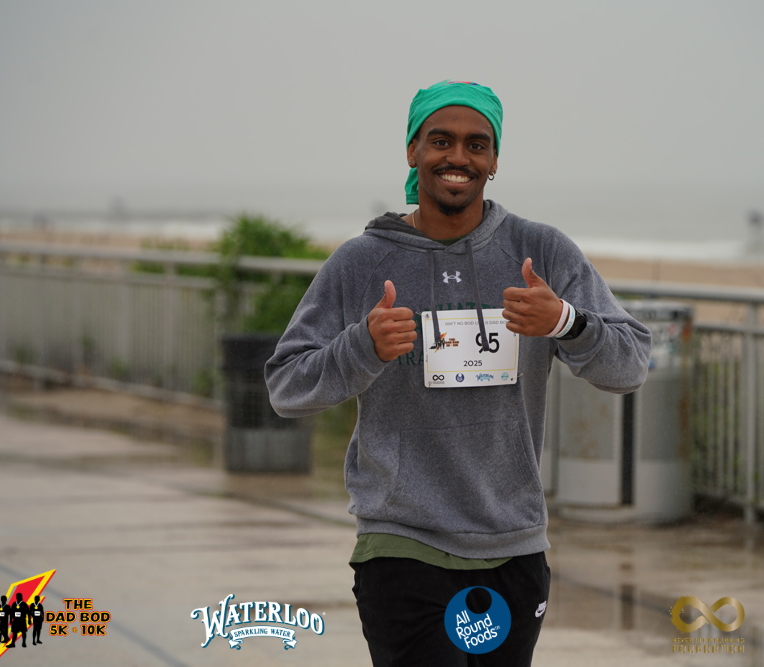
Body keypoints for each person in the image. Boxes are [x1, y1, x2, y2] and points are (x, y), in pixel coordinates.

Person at [265, 80, 651, 666]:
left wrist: (565, 322)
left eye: (477, 144)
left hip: (513, 547)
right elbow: (286, 387)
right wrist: (362, 347)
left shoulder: (540, 252)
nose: (459, 157)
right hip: (403, 544)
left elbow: (631, 364)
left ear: (494, 161)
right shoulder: (362, 261)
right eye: (441, 141)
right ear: (413, 151)